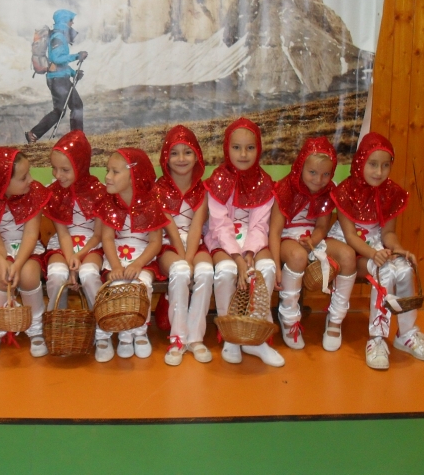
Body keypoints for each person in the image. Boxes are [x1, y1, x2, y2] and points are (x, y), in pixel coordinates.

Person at [329, 132, 424, 370]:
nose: (379, 172)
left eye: (385, 165)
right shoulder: (346, 190)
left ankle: (406, 333)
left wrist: (399, 250)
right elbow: (350, 236)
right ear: (361, 162)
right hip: (353, 249)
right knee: (384, 272)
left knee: (405, 269)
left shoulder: (391, 192)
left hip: (377, 246)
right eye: (373, 164)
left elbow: (388, 234)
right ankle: (377, 338)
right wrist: (372, 254)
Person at [204, 118, 284, 367]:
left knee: (266, 268)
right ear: (227, 148)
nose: (243, 154)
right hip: (223, 239)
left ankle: (257, 336)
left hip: (253, 240)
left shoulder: (264, 181)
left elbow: (260, 224)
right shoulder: (218, 179)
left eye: (250, 148)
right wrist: (238, 258)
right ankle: (231, 335)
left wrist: (249, 252)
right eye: (236, 147)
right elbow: (219, 224)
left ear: (258, 148)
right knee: (226, 270)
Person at [269, 137, 356, 351]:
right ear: (300, 166)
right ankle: (289, 317)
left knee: (348, 255)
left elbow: (322, 226)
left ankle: (335, 319)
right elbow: (274, 231)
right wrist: (276, 266)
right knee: (298, 256)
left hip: (312, 240)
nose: (319, 180)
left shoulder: (327, 191)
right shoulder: (285, 188)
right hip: (287, 238)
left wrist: (313, 241)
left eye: (326, 174)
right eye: (313, 172)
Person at [0, 148, 52, 359]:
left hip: (27, 249)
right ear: (2, 183)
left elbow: (31, 235)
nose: (30, 179)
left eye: (29, 173)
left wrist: (17, 264)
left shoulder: (33, 193)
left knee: (28, 275)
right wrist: (1, 261)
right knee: (2, 275)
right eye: (23, 177)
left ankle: (36, 327)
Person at [94, 148, 169, 360]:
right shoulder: (109, 203)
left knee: (141, 285)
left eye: (115, 171)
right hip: (116, 256)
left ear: (133, 175)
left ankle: (140, 331)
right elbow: (107, 238)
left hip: (143, 258)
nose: (108, 177)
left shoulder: (151, 203)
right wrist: (116, 266)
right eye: (108, 170)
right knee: (117, 285)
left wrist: (138, 264)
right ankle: (125, 335)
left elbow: (155, 242)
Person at [42, 131, 109, 361]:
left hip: (91, 244)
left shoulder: (99, 191)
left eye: (65, 169)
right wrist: (71, 259)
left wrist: (80, 257)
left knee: (89, 274)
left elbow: (98, 235)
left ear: (80, 165)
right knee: (56, 275)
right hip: (64, 244)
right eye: (54, 168)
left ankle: (102, 332)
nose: (57, 175)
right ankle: (57, 328)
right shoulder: (54, 193)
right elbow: (62, 233)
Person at [154, 126, 214, 366]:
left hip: (195, 244)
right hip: (169, 245)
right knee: (180, 271)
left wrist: (191, 259)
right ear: (165, 157)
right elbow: (170, 230)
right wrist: (185, 262)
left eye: (187, 152)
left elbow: (197, 226)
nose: (181, 158)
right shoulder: (158, 189)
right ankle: (177, 338)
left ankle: (196, 337)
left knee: (206, 271)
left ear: (197, 156)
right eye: (174, 153)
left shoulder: (203, 189)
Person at [25, 9, 88, 142]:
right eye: (71, 20)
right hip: (58, 80)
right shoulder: (58, 37)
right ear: (64, 21)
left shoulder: (58, 35)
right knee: (76, 106)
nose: (72, 23)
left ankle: (34, 134)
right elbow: (57, 58)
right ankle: (77, 139)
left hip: (58, 78)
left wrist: (73, 73)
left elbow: (59, 63)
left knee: (60, 110)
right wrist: (77, 56)